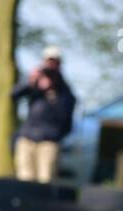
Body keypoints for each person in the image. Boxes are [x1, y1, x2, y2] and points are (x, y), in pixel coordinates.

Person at [10, 45, 76, 184]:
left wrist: (54, 89)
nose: (51, 65)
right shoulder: (35, 84)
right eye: (48, 61)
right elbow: (13, 95)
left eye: (54, 62)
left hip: (49, 142)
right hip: (27, 138)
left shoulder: (65, 91)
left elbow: (66, 120)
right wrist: (31, 82)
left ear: (59, 64)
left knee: (45, 182)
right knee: (24, 180)